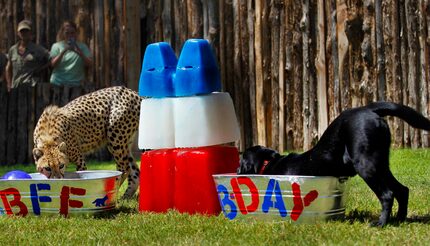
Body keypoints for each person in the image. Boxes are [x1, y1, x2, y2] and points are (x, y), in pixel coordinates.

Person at [5, 20, 50, 91]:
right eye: (22, 31)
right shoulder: (12, 49)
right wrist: (9, 84)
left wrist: (41, 69)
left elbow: (51, 59)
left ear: (31, 32)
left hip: (32, 87)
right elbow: (8, 67)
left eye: (26, 31)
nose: (24, 33)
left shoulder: (38, 49)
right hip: (16, 87)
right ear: (18, 33)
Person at [49, 20, 92, 86]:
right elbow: (53, 64)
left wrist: (79, 52)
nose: (70, 35)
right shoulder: (56, 46)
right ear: (63, 33)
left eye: (72, 33)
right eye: (67, 33)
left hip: (77, 84)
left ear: (76, 33)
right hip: (58, 83)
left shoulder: (83, 46)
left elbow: (89, 64)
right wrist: (64, 51)